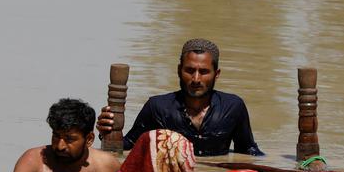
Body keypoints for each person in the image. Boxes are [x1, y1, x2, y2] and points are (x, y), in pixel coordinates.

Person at [97, 38, 263, 157]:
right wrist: (106, 132)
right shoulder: (158, 107)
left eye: (204, 72)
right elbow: (126, 147)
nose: (196, 79)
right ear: (179, 70)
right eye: (189, 70)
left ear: (216, 74)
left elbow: (248, 152)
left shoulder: (233, 107)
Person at [2, 98, 121, 172]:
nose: (60, 146)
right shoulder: (32, 161)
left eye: (69, 139)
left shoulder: (108, 166)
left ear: (89, 139)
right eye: (56, 136)